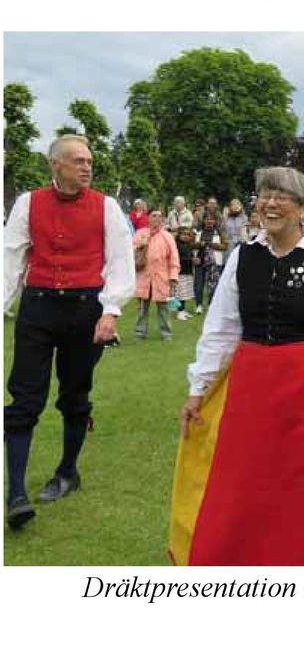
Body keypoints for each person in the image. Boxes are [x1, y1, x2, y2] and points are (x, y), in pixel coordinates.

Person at [171, 167, 304, 565]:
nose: (270, 203)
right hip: (252, 387)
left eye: (281, 196)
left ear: (303, 208)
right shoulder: (242, 257)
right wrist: (198, 389)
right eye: (265, 194)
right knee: (247, 480)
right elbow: (221, 328)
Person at [4, 136, 135, 530]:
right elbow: (9, 259)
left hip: (84, 310)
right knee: (25, 397)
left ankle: (67, 471)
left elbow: (120, 261)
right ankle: (16, 494)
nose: (87, 167)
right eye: (78, 160)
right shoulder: (29, 203)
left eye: (90, 161)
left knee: (74, 395)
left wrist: (110, 310)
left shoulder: (106, 207)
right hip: (39, 306)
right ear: (55, 165)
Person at [133, 208, 180, 342]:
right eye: (154, 216)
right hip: (144, 277)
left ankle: (166, 334)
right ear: (148, 218)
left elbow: (174, 258)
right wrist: (140, 246)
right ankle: (140, 333)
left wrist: (173, 276)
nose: (157, 219)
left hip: (162, 278)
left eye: (160, 216)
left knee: (164, 308)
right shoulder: (140, 234)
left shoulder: (167, 236)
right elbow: (130, 253)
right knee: (142, 308)